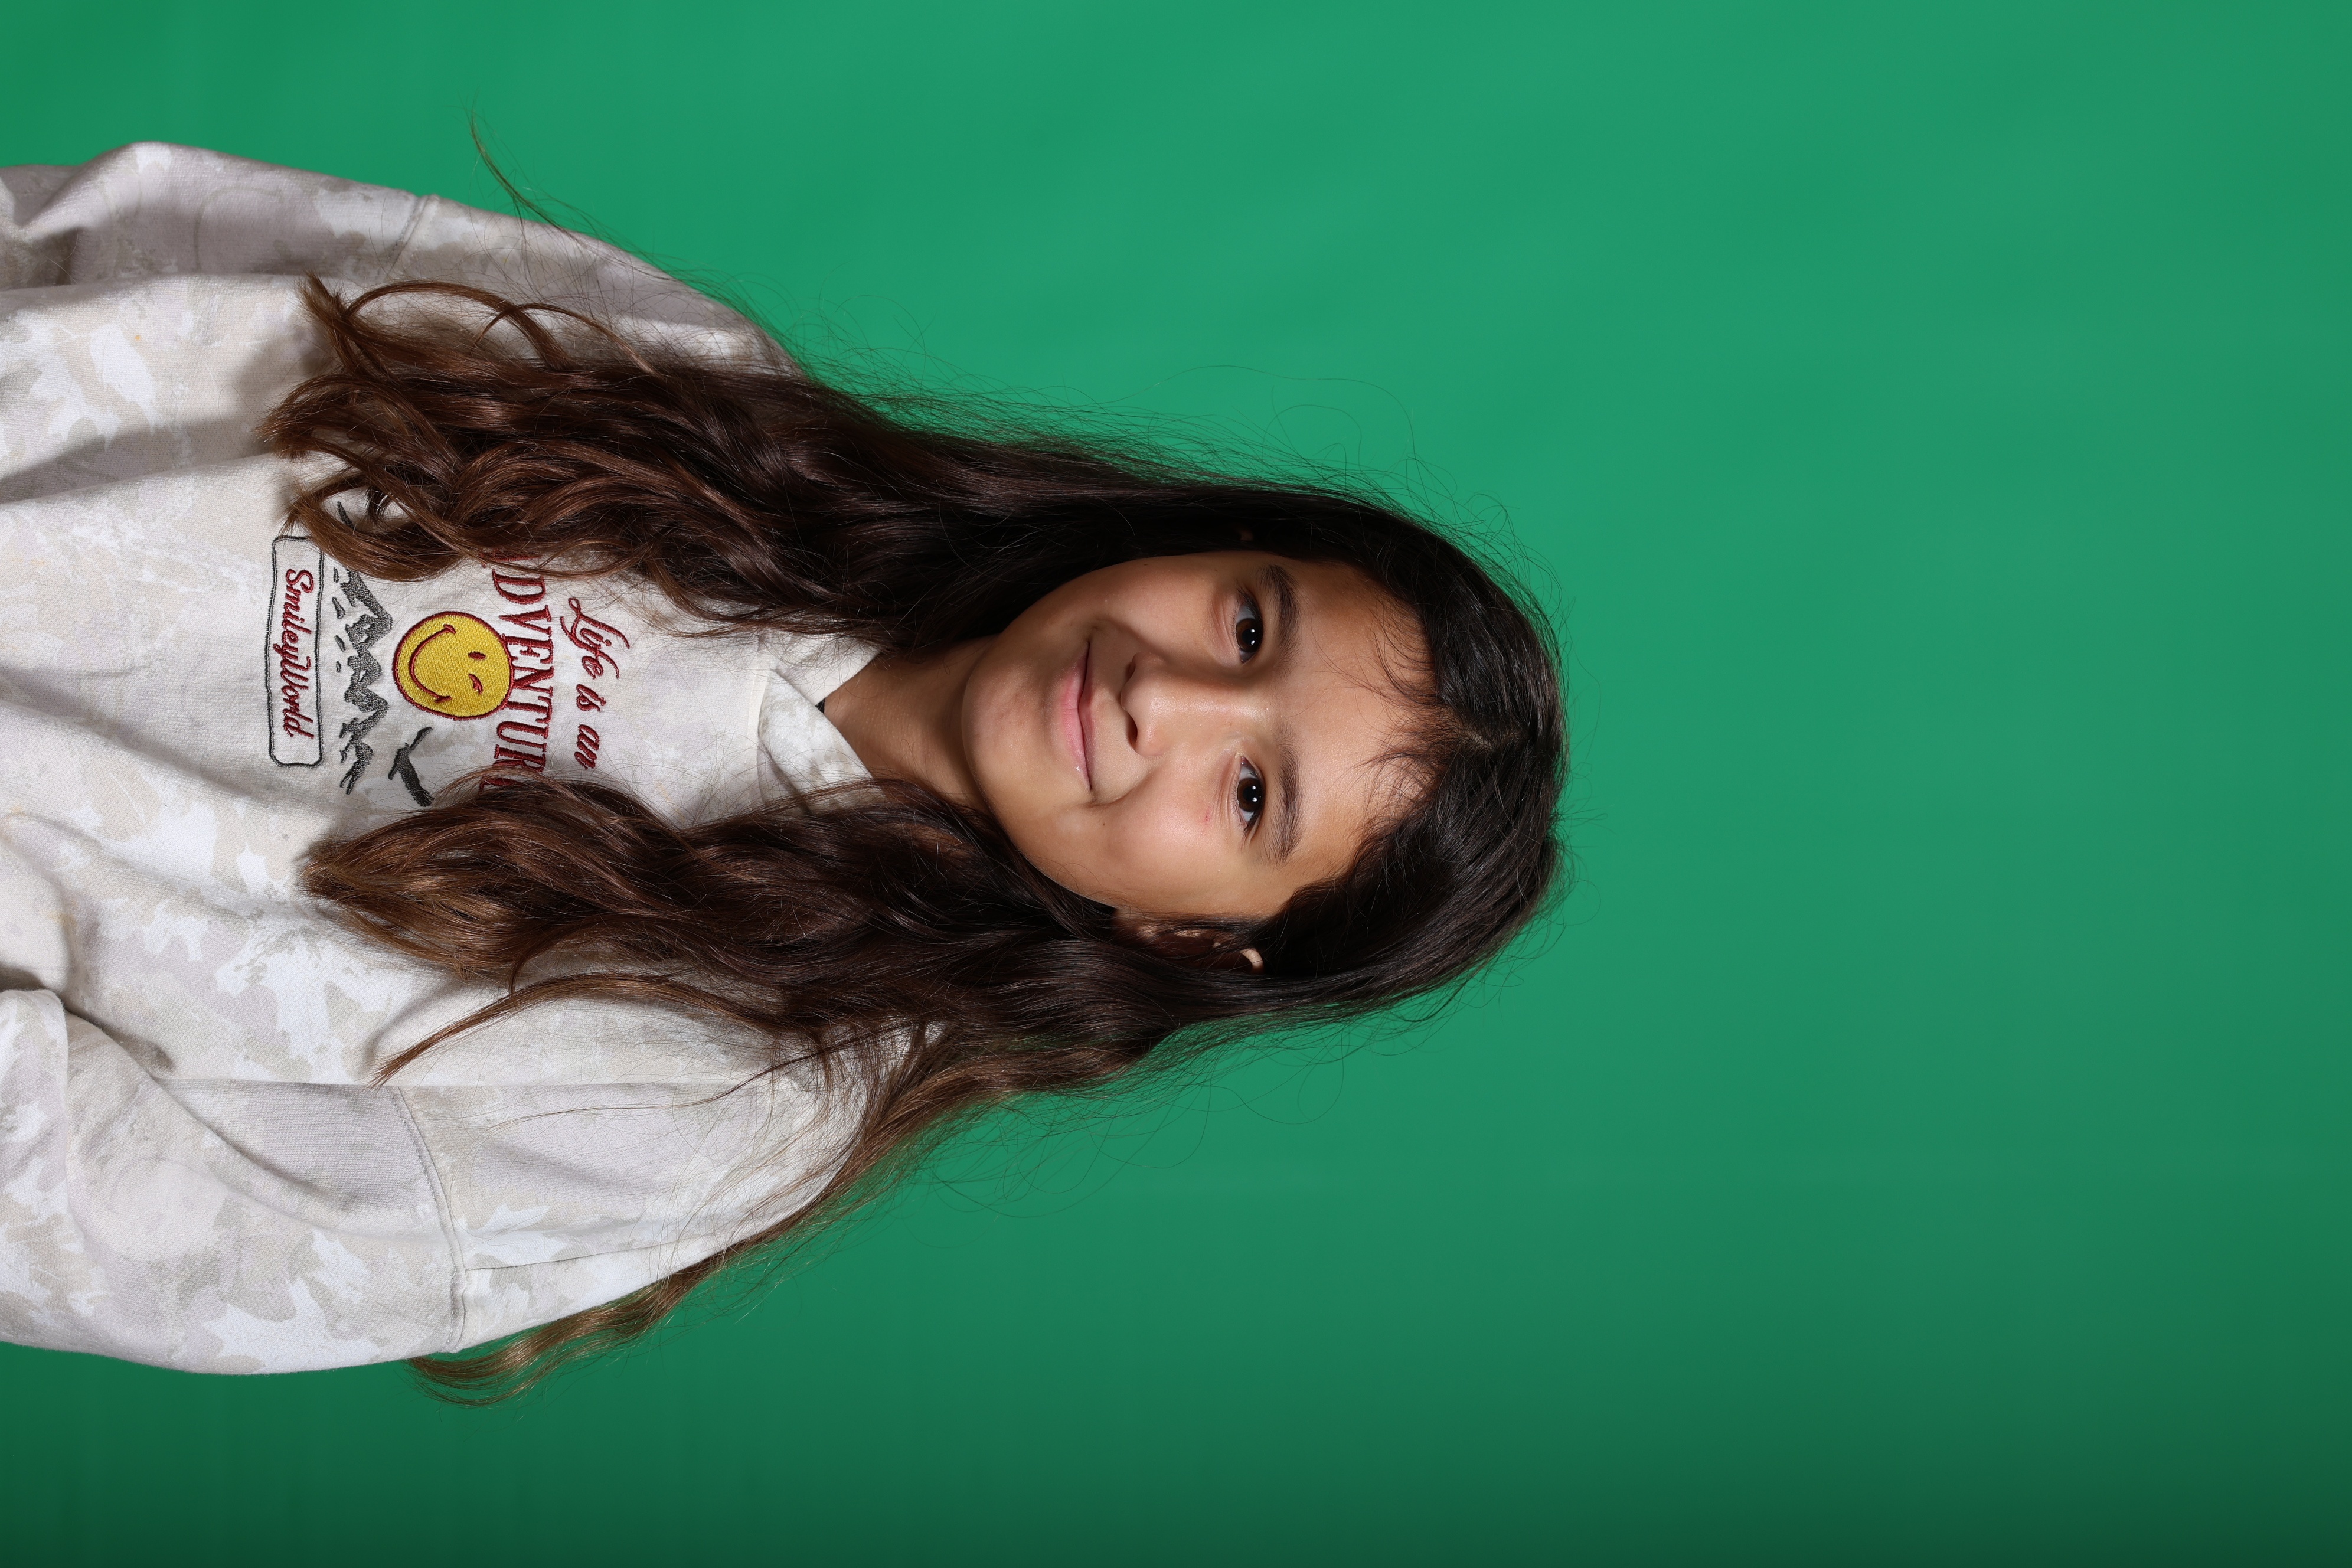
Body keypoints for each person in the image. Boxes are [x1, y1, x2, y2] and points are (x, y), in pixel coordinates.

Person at [0, 143, 1564, 1396]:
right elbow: (146, 241)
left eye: (1251, 793)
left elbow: (121, 1230)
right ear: (1211, 539)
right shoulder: (703, 393)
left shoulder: (728, 1108)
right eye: (1248, 626)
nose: (1171, 696)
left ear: (1195, 941)